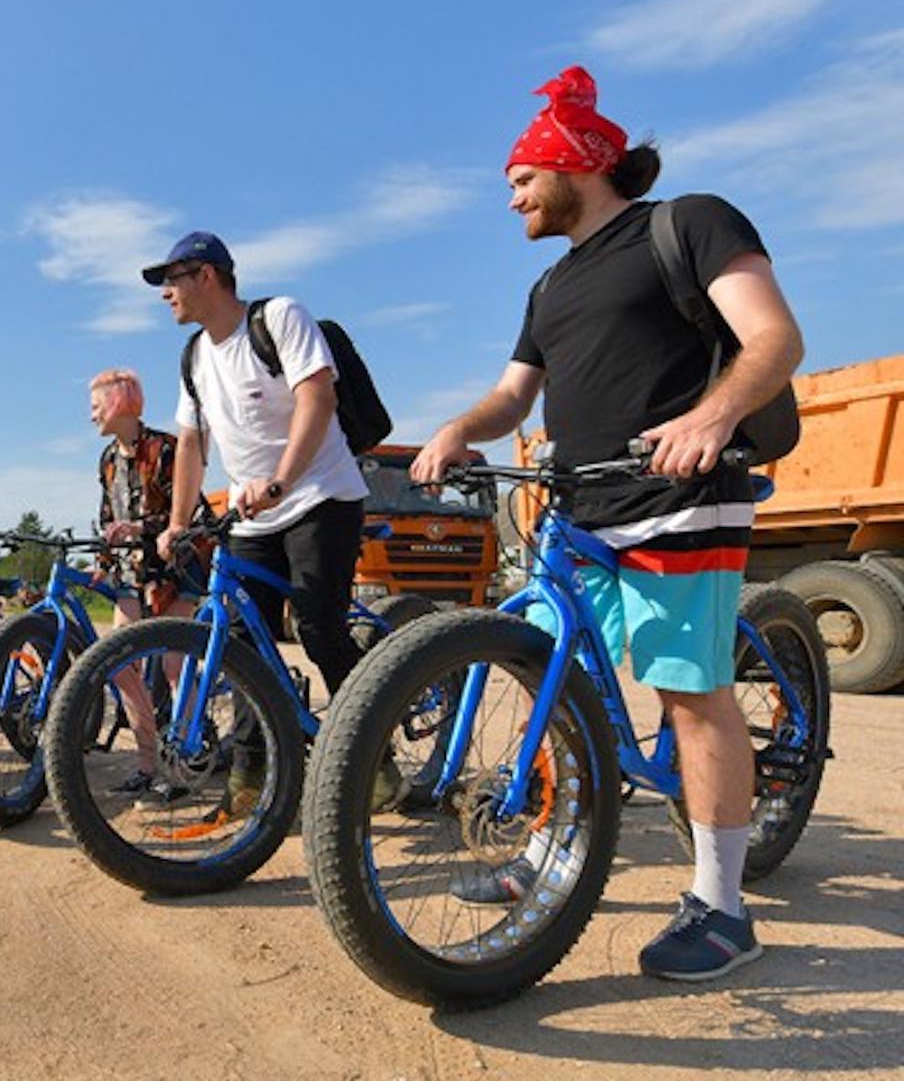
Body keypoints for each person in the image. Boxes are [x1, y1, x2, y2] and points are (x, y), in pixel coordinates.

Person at [411, 66, 804, 982]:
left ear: (571, 163)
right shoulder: (549, 289)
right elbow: (516, 395)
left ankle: (721, 906)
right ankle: (549, 855)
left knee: (688, 693)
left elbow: (774, 339)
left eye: (519, 179)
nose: (511, 199)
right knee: (543, 674)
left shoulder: (689, 222)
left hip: (684, 497)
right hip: (582, 514)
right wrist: (459, 430)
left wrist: (711, 416)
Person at [144, 233, 403, 816]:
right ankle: (251, 777)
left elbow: (318, 400)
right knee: (241, 644)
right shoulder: (193, 355)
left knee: (318, 627)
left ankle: (375, 756)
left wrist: (283, 480)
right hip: (252, 515)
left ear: (207, 275)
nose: (166, 293)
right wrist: (178, 522)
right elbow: (191, 442)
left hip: (319, 495)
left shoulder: (279, 317)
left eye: (173, 278)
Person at [90, 368, 199, 798]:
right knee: (118, 663)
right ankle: (146, 762)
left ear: (117, 404)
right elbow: (106, 518)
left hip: (175, 566)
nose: (91, 415)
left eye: (96, 406)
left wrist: (140, 528)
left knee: (175, 665)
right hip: (131, 571)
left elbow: (187, 513)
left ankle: (182, 769)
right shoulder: (107, 461)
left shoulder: (166, 448)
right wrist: (104, 559)